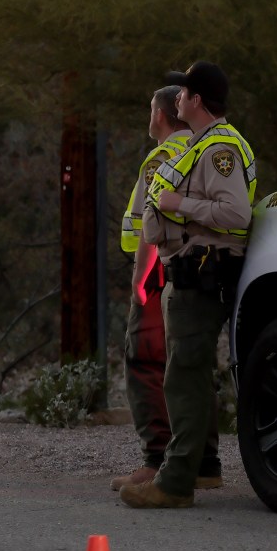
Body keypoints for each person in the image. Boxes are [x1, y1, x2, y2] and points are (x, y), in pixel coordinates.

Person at [119, 61, 256, 509]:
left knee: (183, 378)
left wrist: (181, 203)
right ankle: (192, 470)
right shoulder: (197, 146)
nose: (176, 98)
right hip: (189, 273)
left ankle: (175, 482)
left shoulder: (220, 149)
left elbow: (236, 214)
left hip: (203, 274)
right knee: (188, 375)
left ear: (197, 100)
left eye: (184, 93)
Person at [111, 85, 224, 493]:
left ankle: (157, 458)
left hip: (161, 269)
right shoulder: (200, 148)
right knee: (191, 366)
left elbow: (149, 225)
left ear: (161, 115)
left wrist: (140, 282)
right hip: (196, 265)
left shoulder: (162, 157)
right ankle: (205, 463)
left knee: (146, 360)